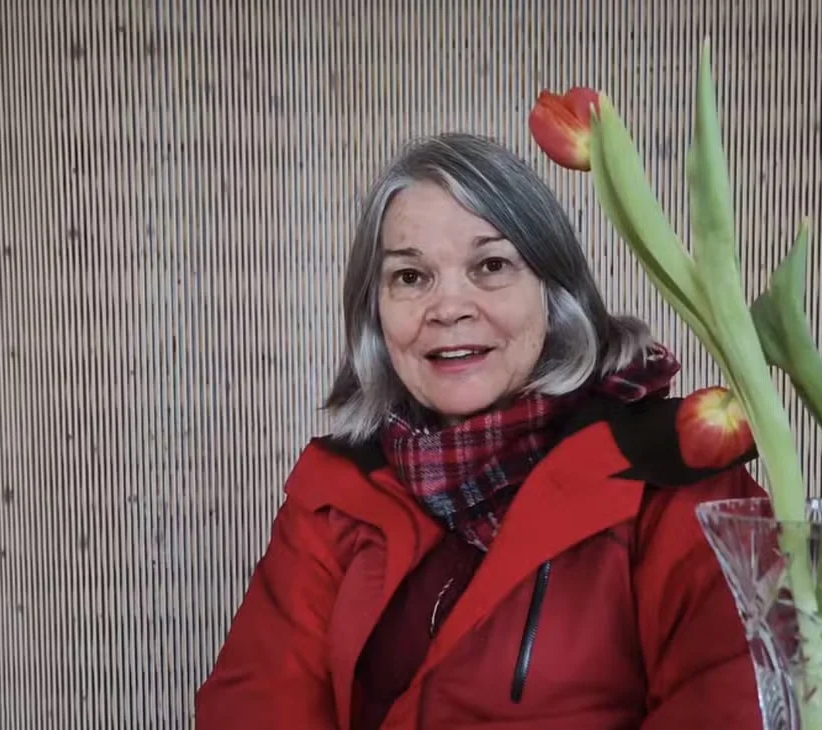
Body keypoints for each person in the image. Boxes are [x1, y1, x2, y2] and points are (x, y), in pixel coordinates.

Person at [194, 133, 763, 729]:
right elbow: (253, 704)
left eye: (491, 266)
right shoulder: (335, 491)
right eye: (411, 277)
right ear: (375, 312)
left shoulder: (673, 472)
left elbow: (733, 704)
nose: (448, 308)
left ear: (555, 290)